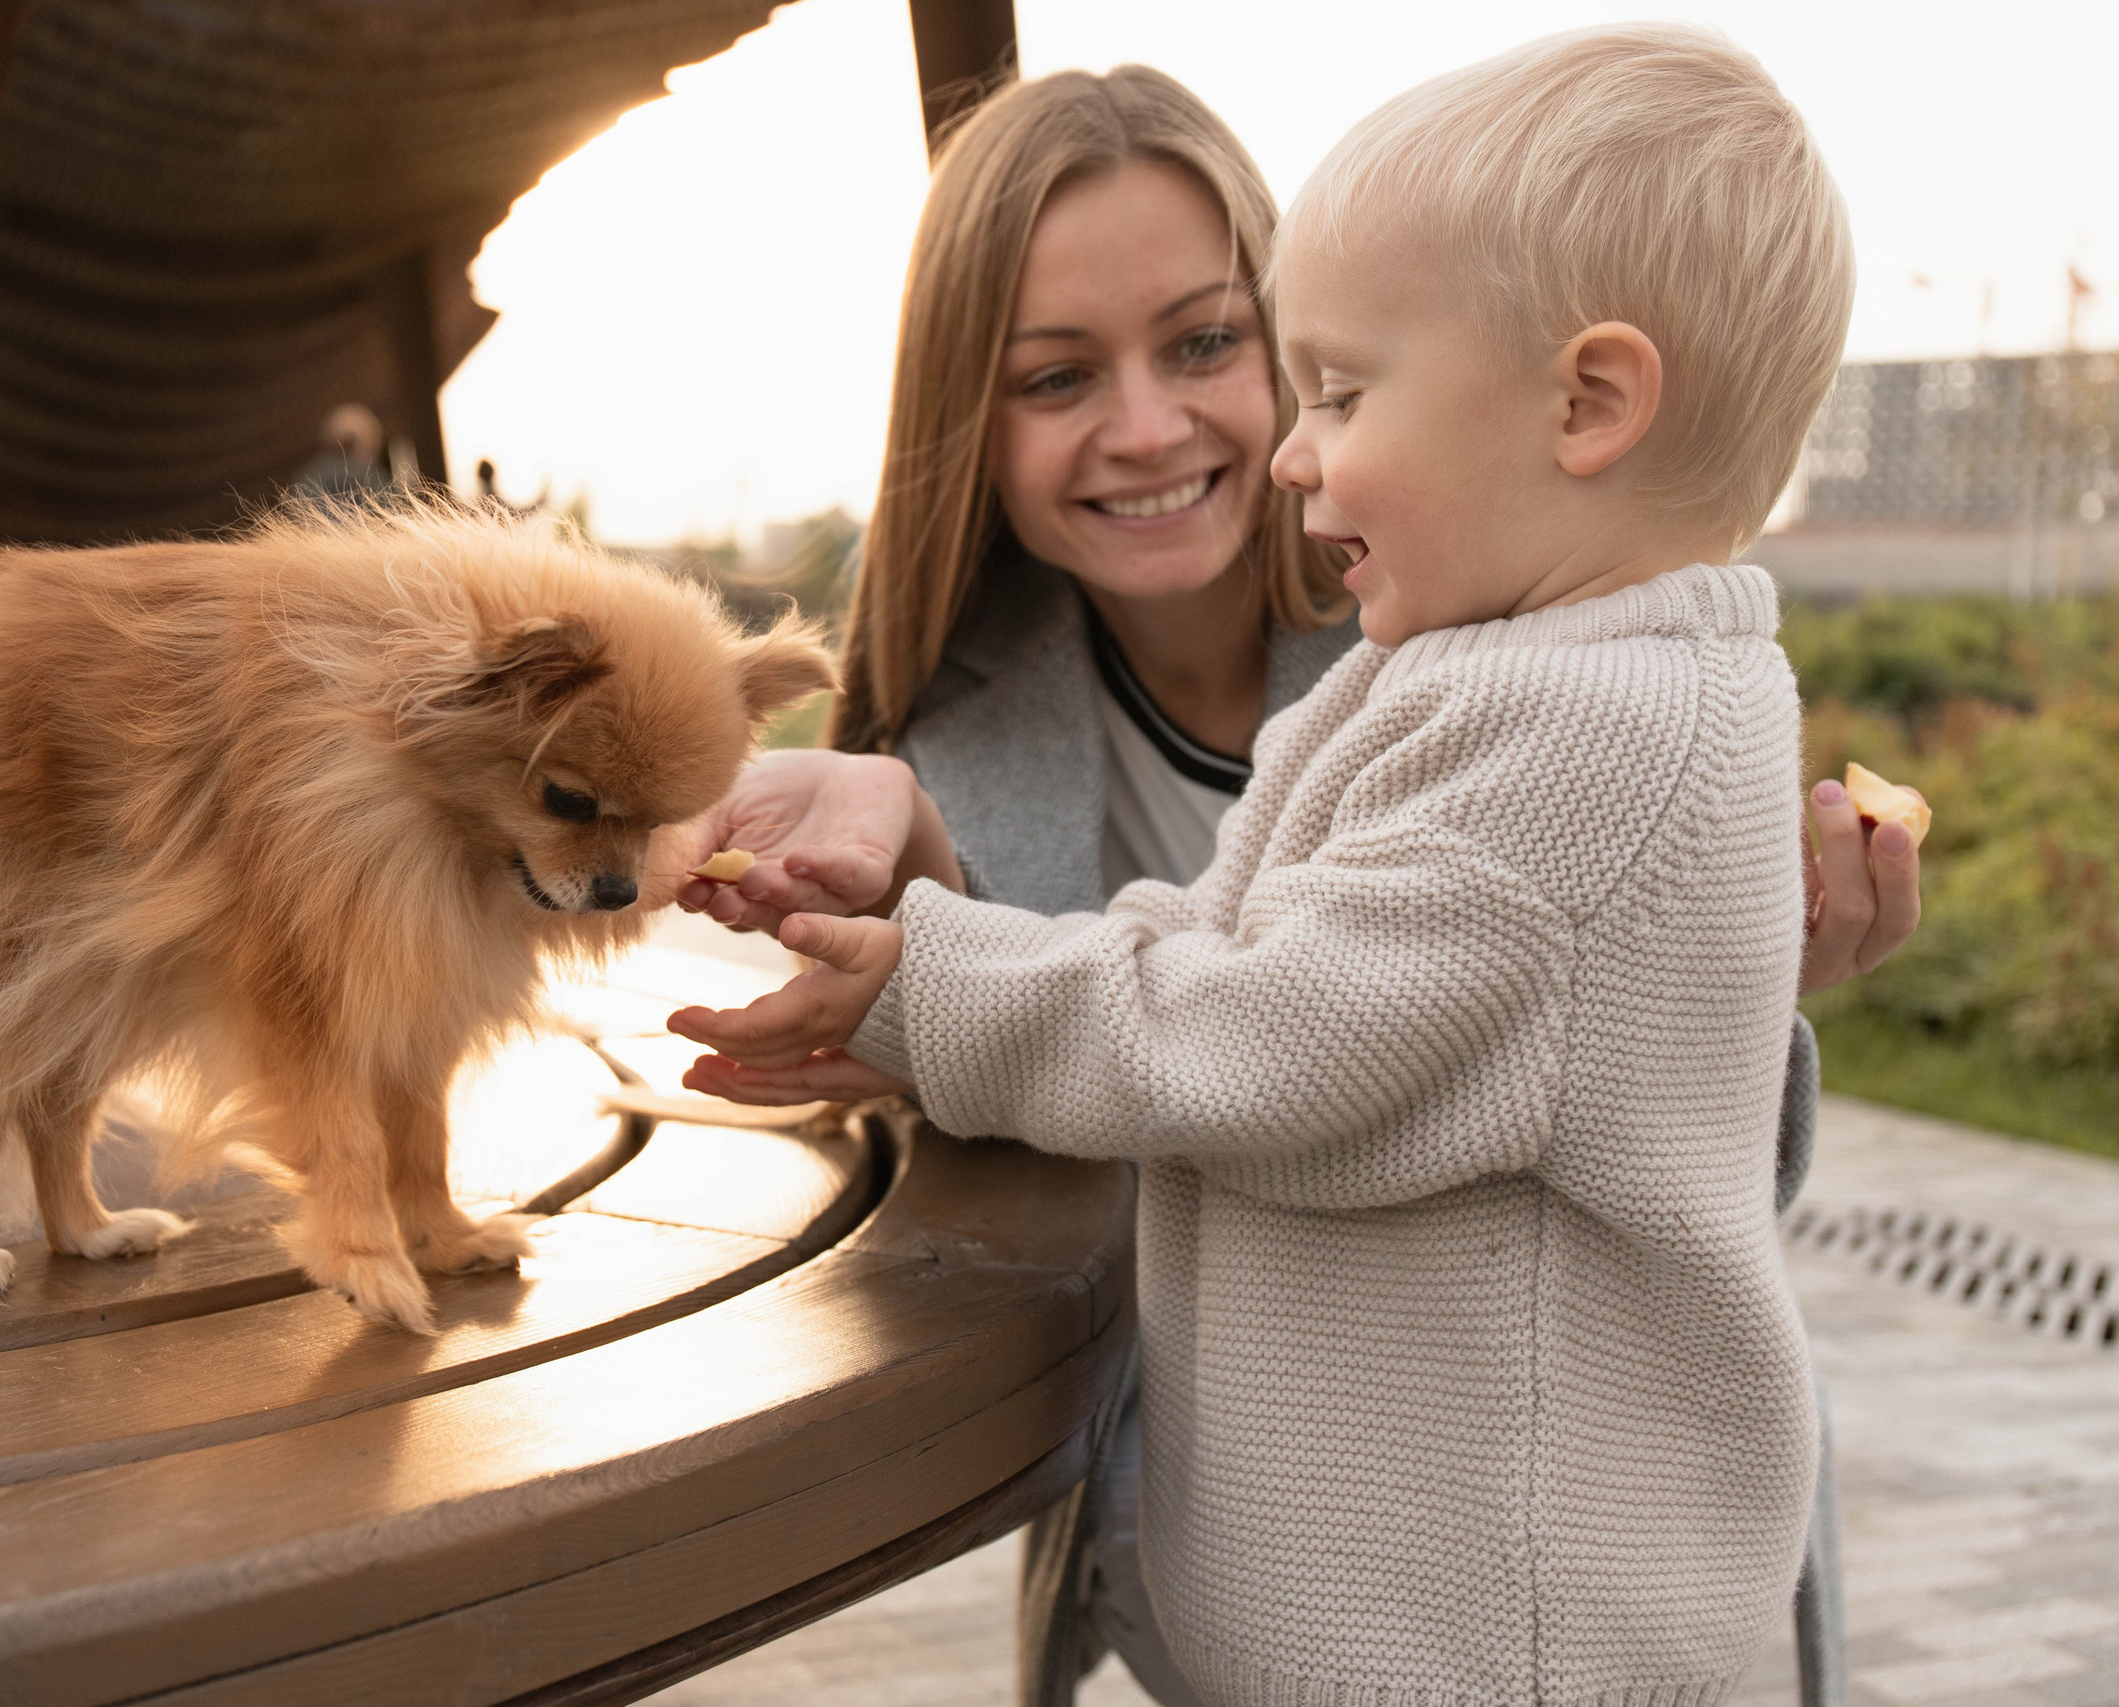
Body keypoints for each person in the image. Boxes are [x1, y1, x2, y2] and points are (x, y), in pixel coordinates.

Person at [668, 53, 1915, 1707]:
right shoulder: (1443, 652)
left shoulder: (1550, 696)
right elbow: (1223, 950)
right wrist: (918, 939)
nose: (1247, 450)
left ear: (1586, 407)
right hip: (1326, 1548)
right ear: (973, 418)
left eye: (1241, 356)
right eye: (1057, 376)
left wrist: (1742, 984)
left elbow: (1269, 1027)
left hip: (1484, 1619)